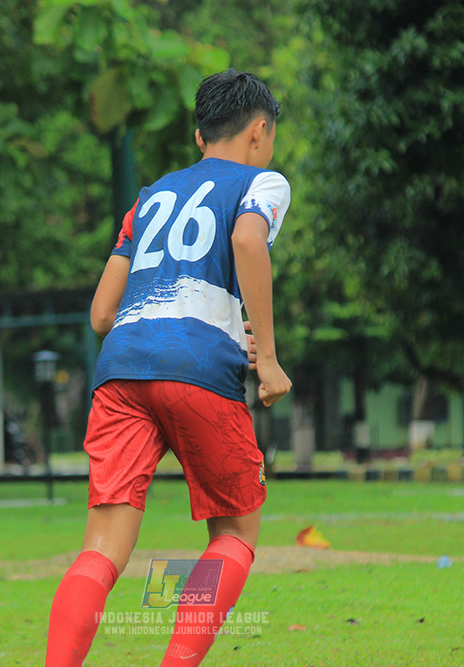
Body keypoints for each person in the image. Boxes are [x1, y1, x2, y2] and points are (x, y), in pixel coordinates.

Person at [45, 68, 293, 667]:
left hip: (121, 367)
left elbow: (101, 314)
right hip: (199, 368)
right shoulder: (262, 182)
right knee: (234, 532)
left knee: (101, 548)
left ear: (199, 136)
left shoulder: (151, 195)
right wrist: (268, 359)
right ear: (259, 132)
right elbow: (247, 242)